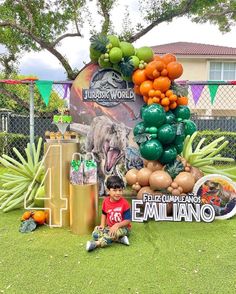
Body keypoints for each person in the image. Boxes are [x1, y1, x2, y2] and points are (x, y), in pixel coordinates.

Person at [86, 176, 131, 252]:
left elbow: (127, 221)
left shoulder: (125, 204)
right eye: (115, 190)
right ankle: (120, 239)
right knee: (95, 233)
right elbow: (104, 214)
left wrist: (117, 225)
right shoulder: (105, 202)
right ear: (108, 191)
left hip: (123, 228)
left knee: (113, 233)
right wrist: (102, 225)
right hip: (109, 227)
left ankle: (96, 244)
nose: (118, 193)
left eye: (120, 190)